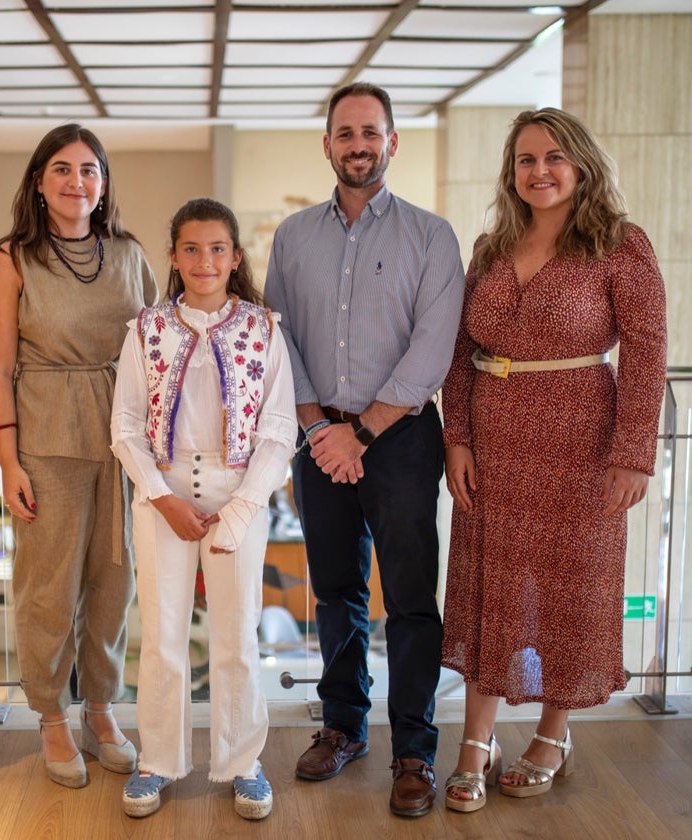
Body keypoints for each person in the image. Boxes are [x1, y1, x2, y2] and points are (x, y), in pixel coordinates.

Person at [441, 107, 666, 812]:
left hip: (582, 442)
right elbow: (456, 351)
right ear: (512, 173)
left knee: (569, 589)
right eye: (525, 160)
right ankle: (477, 739)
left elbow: (648, 350)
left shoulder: (619, 245)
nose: (539, 171)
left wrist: (633, 453)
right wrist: (457, 438)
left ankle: (552, 732)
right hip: (495, 442)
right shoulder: (490, 246)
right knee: (491, 585)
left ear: (582, 165)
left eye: (554, 157)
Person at [262, 82, 464, 818]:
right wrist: (320, 429)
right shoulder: (292, 237)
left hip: (402, 439)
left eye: (371, 132)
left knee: (410, 600)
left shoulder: (430, 236)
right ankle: (343, 726)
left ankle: (414, 749)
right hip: (320, 440)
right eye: (345, 133)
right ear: (327, 145)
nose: (358, 145)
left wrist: (363, 431)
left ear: (391, 142)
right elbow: (279, 338)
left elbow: (433, 348)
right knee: (335, 592)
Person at [0, 124, 156, 788]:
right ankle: (53, 713)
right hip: (48, 433)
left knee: (116, 578)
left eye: (89, 170)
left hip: (123, 433)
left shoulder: (131, 255)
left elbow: (156, 350)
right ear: (38, 181)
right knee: (49, 585)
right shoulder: (12, 258)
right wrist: (9, 461)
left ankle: (102, 710)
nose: (77, 181)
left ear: (103, 183)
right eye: (62, 169)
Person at [111, 198, 297, 820]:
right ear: (173, 256)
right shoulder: (146, 329)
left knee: (236, 636)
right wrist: (161, 499)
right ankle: (156, 761)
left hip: (237, 493)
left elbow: (278, 429)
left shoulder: (265, 329)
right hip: (160, 494)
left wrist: (242, 510)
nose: (205, 260)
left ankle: (243, 760)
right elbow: (125, 426)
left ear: (236, 257)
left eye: (217, 248)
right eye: (191, 248)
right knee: (161, 637)